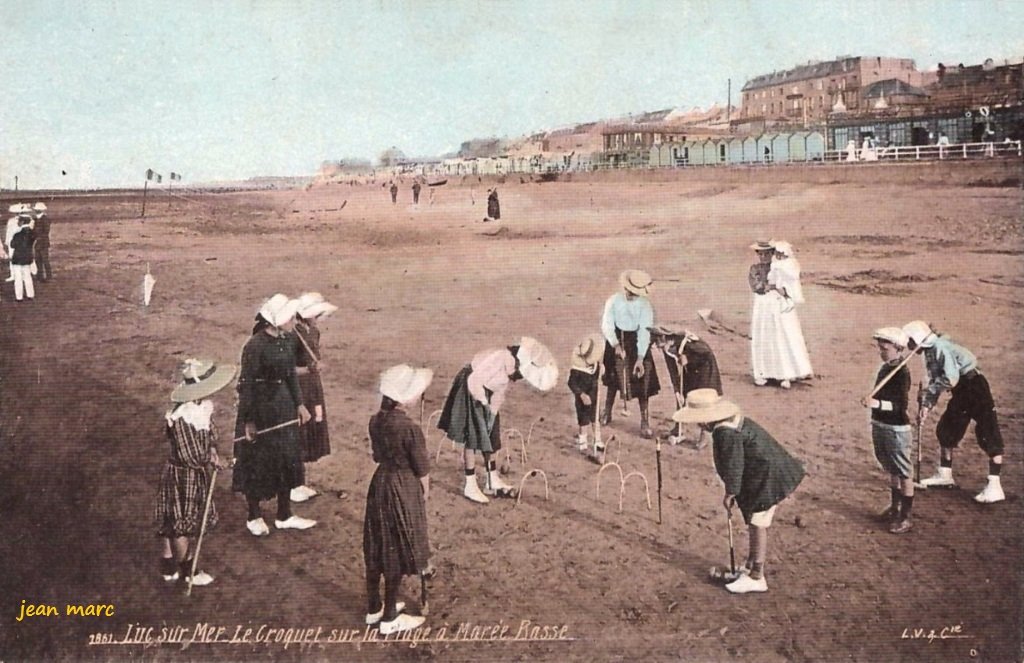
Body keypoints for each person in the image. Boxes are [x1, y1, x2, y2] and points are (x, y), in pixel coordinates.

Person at [674, 389, 805, 594]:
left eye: (699, 421)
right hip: (762, 474)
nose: (699, 425)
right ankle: (750, 565)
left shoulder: (725, 433)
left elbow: (735, 463)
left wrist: (730, 493)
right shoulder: (730, 421)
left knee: (757, 522)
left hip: (768, 478)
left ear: (707, 419)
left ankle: (757, 576)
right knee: (754, 519)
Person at [232, 294, 315, 536]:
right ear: (276, 321)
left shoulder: (287, 340)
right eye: (290, 318)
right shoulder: (254, 346)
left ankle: (284, 513)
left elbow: (290, 374)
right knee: (257, 461)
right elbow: (246, 384)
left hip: (284, 405)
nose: (294, 322)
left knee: (286, 457)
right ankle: (254, 515)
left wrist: (299, 404)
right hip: (260, 408)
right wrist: (248, 420)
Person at [438, 337, 557, 503]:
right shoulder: (500, 359)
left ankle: (491, 479)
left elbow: (499, 392)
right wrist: (484, 403)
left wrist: (491, 416)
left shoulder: (513, 369)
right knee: (472, 436)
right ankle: (470, 484)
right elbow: (474, 381)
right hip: (471, 387)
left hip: (487, 392)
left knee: (491, 435)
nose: (521, 377)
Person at [364, 364, 434, 635]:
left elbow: (377, 456)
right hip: (402, 486)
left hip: (380, 483)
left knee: (377, 543)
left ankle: (374, 607)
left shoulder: (375, 420)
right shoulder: (410, 428)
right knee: (396, 546)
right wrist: (424, 492)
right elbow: (422, 469)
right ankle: (390, 616)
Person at [154, 358, 236, 587]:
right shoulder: (182, 418)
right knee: (181, 524)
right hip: (183, 474)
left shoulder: (201, 407)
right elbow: (189, 455)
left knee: (174, 519)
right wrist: (213, 459)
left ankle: (168, 562)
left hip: (193, 472)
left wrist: (211, 449)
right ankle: (188, 571)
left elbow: (209, 434)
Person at [903, 321, 1005, 503]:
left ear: (917, 339)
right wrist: (926, 406)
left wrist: (931, 391)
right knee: (947, 429)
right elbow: (937, 380)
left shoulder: (940, 348)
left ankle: (995, 485)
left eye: (910, 342)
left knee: (988, 433)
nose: (908, 347)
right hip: (961, 390)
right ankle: (945, 474)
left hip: (974, 387)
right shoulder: (930, 352)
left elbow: (950, 378)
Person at [862, 328, 914, 534]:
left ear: (899, 349)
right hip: (880, 425)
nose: (881, 352)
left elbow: (900, 406)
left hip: (896, 428)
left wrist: (876, 403)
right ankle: (895, 508)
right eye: (880, 348)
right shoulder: (885, 368)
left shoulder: (902, 372)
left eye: (885, 348)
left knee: (903, 471)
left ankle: (905, 516)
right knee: (891, 467)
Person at [291, 292, 340, 502]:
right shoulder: (294, 335)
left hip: (313, 388)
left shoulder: (313, 332)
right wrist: (311, 368)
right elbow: (287, 369)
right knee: (299, 431)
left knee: (312, 428)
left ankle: (300, 481)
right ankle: (293, 484)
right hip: (300, 388)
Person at [600, 270, 660, 438]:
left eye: (635, 293)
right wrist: (615, 345)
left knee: (643, 381)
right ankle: (607, 411)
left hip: (637, 344)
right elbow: (607, 324)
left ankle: (644, 421)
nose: (631, 295)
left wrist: (640, 358)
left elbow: (645, 332)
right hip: (617, 340)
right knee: (613, 379)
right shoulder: (613, 301)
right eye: (629, 292)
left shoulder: (645, 306)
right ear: (624, 288)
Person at [751, 241, 812, 389]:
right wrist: (771, 287)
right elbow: (757, 286)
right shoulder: (755, 269)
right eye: (761, 254)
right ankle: (763, 373)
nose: (764, 257)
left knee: (783, 336)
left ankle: (787, 372)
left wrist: (781, 289)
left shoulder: (783, 267)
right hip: (763, 306)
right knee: (764, 336)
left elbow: (789, 288)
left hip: (779, 305)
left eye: (767, 253)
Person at [650, 326, 722, 447]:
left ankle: (705, 433)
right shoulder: (667, 348)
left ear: (665, 338)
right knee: (682, 396)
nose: (659, 348)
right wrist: (677, 390)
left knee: (702, 400)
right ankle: (679, 427)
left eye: (659, 344)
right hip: (691, 370)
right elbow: (672, 369)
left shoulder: (687, 342)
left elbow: (706, 353)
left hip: (705, 369)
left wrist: (689, 358)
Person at [567, 336, 602, 456]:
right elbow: (571, 383)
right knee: (583, 419)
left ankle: (597, 441)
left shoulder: (596, 365)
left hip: (593, 393)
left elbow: (596, 378)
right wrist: (581, 394)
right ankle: (583, 443)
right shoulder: (577, 368)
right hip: (582, 397)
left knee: (595, 418)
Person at [9, 214, 36, 302]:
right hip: (27, 257)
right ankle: (30, 294)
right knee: (27, 276)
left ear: (22, 222)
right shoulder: (32, 234)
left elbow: (12, 245)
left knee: (18, 278)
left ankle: (19, 297)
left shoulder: (17, 235)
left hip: (17, 258)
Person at [32, 202, 51, 282]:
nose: (36, 211)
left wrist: (37, 236)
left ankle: (48, 276)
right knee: (38, 259)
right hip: (39, 241)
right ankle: (40, 276)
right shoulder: (35, 219)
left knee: (45, 260)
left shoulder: (45, 219)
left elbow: (46, 231)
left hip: (43, 242)